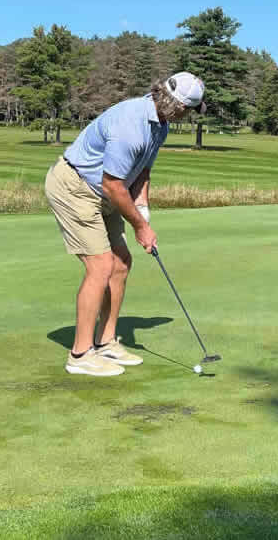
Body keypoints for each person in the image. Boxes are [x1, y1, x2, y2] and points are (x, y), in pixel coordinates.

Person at [44, 72, 207, 376]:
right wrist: (140, 227)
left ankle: (105, 342)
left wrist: (143, 208)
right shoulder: (131, 126)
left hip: (103, 190)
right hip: (75, 186)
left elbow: (142, 171)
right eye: (188, 110)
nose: (188, 117)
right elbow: (113, 186)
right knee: (101, 266)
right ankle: (80, 354)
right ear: (178, 106)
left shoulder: (160, 125)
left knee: (121, 263)